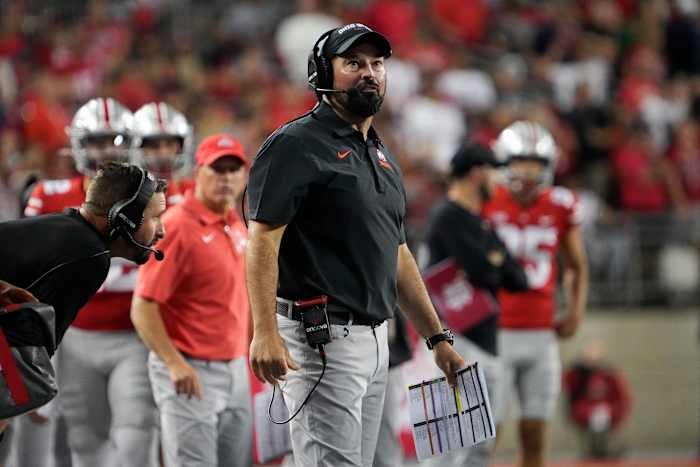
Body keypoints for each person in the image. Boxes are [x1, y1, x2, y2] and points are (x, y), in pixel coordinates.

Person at [246, 23, 466, 467]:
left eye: (377, 63)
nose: (370, 72)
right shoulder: (295, 144)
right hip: (320, 338)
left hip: (376, 338)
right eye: (354, 63)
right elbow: (262, 241)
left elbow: (397, 253)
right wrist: (264, 330)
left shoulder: (381, 153)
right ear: (321, 74)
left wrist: (437, 337)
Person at [21, 97, 188, 467]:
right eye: (96, 140)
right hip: (75, 334)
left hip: (133, 333)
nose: (105, 150)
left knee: (136, 436)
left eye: (114, 140)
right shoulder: (49, 195)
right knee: (85, 441)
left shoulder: (161, 196)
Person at [132, 133, 252, 467]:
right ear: (198, 171)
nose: (226, 178)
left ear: (244, 176)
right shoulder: (177, 226)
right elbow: (143, 306)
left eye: (233, 170)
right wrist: (174, 363)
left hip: (235, 367)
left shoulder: (236, 225)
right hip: (192, 370)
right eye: (218, 169)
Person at [482, 120, 589, 467]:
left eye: (535, 164)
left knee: (535, 435)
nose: (528, 173)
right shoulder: (484, 199)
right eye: (520, 163)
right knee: (484, 437)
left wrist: (575, 310)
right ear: (502, 162)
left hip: (541, 335)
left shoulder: (560, 204)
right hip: (494, 333)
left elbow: (575, 264)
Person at [423, 142, 529, 467]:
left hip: (480, 339)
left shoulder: (477, 221)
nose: (498, 181)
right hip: (455, 339)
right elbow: (487, 269)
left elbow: (518, 278)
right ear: (477, 172)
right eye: (494, 171)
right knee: (454, 444)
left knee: (477, 443)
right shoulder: (448, 217)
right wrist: (492, 263)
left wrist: (491, 264)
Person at [563, 339, 631, 459]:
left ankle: (606, 448)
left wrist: (613, 411)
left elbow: (621, 397)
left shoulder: (610, 374)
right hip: (585, 411)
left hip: (607, 411)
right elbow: (570, 389)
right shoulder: (579, 373)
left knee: (602, 425)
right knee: (592, 428)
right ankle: (593, 450)